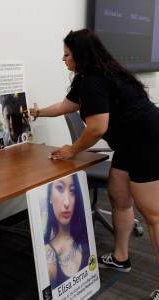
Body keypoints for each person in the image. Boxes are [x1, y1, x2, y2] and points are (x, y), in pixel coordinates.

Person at [29, 29, 159, 300]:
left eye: (67, 54)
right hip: (128, 143)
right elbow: (67, 105)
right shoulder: (87, 77)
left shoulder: (94, 80)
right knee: (119, 197)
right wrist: (38, 112)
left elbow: (97, 128)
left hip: (147, 140)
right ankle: (121, 257)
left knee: (153, 216)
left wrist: (72, 149)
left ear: (81, 55)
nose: (63, 59)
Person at [44, 174, 90, 290]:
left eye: (72, 191)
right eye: (60, 188)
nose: (67, 202)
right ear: (50, 197)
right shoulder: (48, 256)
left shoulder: (86, 237)